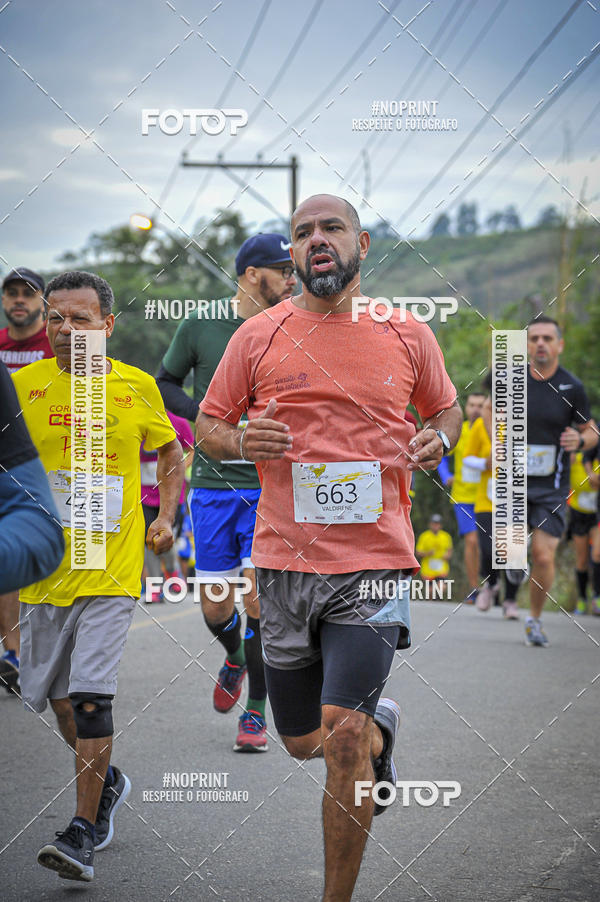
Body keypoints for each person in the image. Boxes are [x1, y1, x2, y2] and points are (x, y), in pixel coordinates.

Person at [195, 194, 462, 902]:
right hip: (284, 565)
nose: (316, 239)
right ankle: (384, 732)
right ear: (292, 252)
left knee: (342, 739)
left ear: (362, 243)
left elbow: (446, 409)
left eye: (330, 228)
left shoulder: (406, 333)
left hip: (374, 562)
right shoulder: (257, 336)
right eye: (303, 231)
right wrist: (241, 440)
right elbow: (209, 424)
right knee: (304, 742)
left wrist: (441, 437)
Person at [11, 271, 184, 883]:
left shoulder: (136, 388)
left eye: (79, 319)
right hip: (42, 575)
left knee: (89, 696)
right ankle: (106, 785)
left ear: (107, 326)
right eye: (54, 318)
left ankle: (81, 833)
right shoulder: (21, 387)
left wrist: (166, 515)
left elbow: (169, 452)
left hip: (111, 570)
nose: (63, 329)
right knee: (60, 705)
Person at [157, 233, 297, 752]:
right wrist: (207, 422)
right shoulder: (201, 323)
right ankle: (235, 656)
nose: (291, 278)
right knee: (217, 609)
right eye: (282, 269)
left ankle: (256, 713)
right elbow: (164, 381)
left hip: (269, 486)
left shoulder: (292, 327)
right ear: (250, 273)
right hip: (214, 486)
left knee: (260, 602)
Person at [524, 316, 596, 646]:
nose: (540, 343)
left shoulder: (572, 387)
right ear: (526, 345)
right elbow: (491, 417)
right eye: (534, 337)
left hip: (552, 487)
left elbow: (591, 432)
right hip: (511, 484)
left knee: (543, 556)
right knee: (503, 552)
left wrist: (579, 442)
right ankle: (510, 566)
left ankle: (534, 620)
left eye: (547, 338)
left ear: (559, 345)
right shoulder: (510, 382)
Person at [0, 267, 54, 694]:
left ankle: (23, 647)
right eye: (12, 293)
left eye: (28, 294)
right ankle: (13, 648)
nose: (19, 300)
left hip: (43, 465)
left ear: (42, 302)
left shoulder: (53, 347)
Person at [463, 378, 524, 618]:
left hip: (516, 496)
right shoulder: (481, 426)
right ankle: (491, 583)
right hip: (486, 499)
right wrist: (485, 462)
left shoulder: (523, 423)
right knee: (488, 549)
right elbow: (468, 457)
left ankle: (510, 600)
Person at [141, 410, 194, 602]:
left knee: (167, 536)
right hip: (143, 493)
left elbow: (193, 449)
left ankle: (172, 573)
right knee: (148, 540)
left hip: (171, 494)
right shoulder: (139, 417)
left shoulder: (178, 422)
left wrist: (178, 469)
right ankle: (154, 589)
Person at [437, 392, 484, 603]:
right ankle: (475, 588)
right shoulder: (460, 430)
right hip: (463, 495)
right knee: (472, 541)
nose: (475, 409)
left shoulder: (493, 431)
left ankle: (493, 585)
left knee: (491, 543)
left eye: (480, 405)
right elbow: (440, 456)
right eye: (472, 404)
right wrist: (446, 476)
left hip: (489, 496)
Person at [567, 448, 599, 614]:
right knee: (582, 560)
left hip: (596, 515)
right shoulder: (576, 460)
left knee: (598, 554)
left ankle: (597, 597)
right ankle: (581, 599)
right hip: (578, 514)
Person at [415, 514, 453, 593]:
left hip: (441, 569)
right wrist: (427, 553)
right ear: (430, 524)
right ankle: (433, 603)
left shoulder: (446, 536)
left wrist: (447, 556)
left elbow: (450, 550)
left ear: (440, 525)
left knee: (441, 587)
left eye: (437, 524)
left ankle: (438, 601)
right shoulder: (424, 536)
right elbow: (418, 552)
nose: (435, 526)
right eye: (434, 523)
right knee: (430, 592)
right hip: (428, 570)